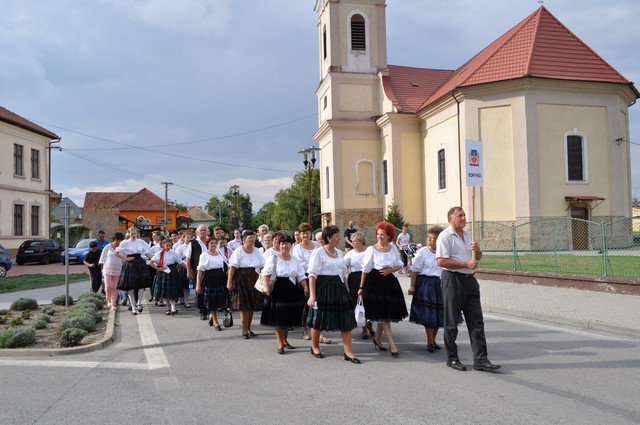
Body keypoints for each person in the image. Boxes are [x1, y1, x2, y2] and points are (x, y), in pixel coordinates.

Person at [436, 206, 500, 373]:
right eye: (460, 216)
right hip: (452, 280)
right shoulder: (445, 236)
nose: (463, 218)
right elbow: (441, 261)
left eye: (464, 215)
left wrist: (477, 251)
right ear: (450, 219)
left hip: (469, 280)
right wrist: (465, 264)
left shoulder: (469, 235)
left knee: (476, 321)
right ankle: (452, 358)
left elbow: (477, 258)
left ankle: (481, 360)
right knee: (451, 322)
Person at [306, 225, 360, 364]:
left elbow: (343, 273)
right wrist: (312, 295)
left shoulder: (340, 253)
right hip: (323, 288)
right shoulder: (318, 253)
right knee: (319, 318)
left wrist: (347, 289)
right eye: (336, 236)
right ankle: (315, 347)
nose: (339, 238)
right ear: (329, 238)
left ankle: (348, 352)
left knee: (345, 319)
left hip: (338, 288)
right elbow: (312, 275)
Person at [359, 222, 407, 357]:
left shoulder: (393, 248)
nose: (379, 236)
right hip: (375, 283)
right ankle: (392, 344)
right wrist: (361, 287)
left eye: (382, 234)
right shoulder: (371, 249)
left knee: (385, 313)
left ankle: (378, 339)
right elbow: (365, 269)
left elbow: (399, 265)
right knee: (384, 316)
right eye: (378, 234)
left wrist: (390, 269)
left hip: (390, 283)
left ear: (389, 236)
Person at [260, 234, 309, 354]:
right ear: (279, 245)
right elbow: (266, 273)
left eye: (287, 243)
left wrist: (305, 287)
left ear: (291, 245)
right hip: (278, 289)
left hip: (292, 290)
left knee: (288, 317)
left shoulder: (295, 259)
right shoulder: (273, 258)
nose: (284, 246)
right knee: (278, 317)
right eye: (282, 243)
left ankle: (285, 340)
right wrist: (266, 287)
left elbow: (300, 275)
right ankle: (280, 343)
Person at [408, 226, 445, 352]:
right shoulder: (423, 251)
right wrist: (412, 286)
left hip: (440, 285)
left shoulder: (443, 252)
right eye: (428, 237)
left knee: (438, 314)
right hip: (426, 284)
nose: (429, 240)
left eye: (433, 238)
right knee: (429, 314)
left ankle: (433, 340)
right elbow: (414, 270)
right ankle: (429, 341)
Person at [292, 222, 327, 342]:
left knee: (319, 304)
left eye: (307, 232)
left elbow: (322, 258)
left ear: (311, 233)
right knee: (305, 304)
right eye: (303, 233)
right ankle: (304, 330)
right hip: (305, 278)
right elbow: (300, 264)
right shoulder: (297, 248)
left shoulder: (317, 245)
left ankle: (319, 332)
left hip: (318, 277)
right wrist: (314, 266)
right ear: (300, 234)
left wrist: (317, 267)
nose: (305, 235)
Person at [227, 230, 265, 339]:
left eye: (253, 237)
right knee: (244, 306)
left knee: (252, 305)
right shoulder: (238, 250)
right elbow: (232, 267)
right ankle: (244, 330)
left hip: (253, 278)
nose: (252, 240)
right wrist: (229, 282)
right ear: (244, 239)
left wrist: (263, 278)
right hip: (241, 279)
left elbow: (262, 265)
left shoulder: (256, 250)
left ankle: (249, 328)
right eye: (250, 237)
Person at [344, 231, 375, 339]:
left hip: (369, 278)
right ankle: (364, 328)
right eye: (352, 241)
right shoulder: (350, 254)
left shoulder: (369, 251)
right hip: (355, 280)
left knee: (370, 303)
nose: (352, 243)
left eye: (354, 241)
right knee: (360, 304)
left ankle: (370, 323)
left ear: (361, 241)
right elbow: (343, 267)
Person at [115, 227, 152, 315]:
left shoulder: (141, 242)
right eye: (132, 233)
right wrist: (125, 258)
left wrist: (155, 261)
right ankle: (133, 307)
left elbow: (147, 253)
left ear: (137, 233)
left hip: (140, 263)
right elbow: (116, 253)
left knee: (141, 286)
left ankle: (139, 303)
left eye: (135, 233)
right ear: (128, 233)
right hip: (130, 264)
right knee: (130, 287)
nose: (133, 235)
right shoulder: (125, 242)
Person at [196, 236, 228, 330]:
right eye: (211, 243)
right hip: (209, 278)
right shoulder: (204, 255)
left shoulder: (220, 253)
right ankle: (215, 322)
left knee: (219, 300)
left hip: (220, 278)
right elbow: (200, 271)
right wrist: (198, 284)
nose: (213, 244)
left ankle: (211, 316)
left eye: (215, 243)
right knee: (211, 301)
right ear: (207, 245)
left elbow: (227, 264)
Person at [149, 239, 186, 316]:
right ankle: (168, 308)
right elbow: (151, 263)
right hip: (163, 273)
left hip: (172, 272)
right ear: (163, 245)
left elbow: (181, 262)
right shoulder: (159, 253)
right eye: (167, 245)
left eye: (170, 245)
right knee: (165, 292)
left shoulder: (173, 252)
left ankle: (173, 308)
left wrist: (189, 269)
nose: (168, 247)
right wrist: (158, 268)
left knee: (172, 291)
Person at [186, 225, 210, 320]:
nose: (203, 232)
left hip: (211, 271)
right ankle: (202, 311)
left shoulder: (211, 241)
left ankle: (211, 310)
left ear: (207, 231)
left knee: (210, 291)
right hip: (198, 271)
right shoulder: (193, 243)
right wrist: (189, 271)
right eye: (201, 230)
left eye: (204, 230)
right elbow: (188, 258)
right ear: (197, 232)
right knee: (199, 291)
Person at [99, 232, 124, 309]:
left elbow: (124, 258)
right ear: (115, 239)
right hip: (107, 269)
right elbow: (102, 258)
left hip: (118, 270)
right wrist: (102, 268)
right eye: (117, 240)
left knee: (115, 287)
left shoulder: (122, 248)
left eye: (120, 241)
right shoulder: (108, 247)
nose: (119, 242)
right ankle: (108, 300)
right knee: (108, 286)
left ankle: (113, 303)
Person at [174, 231, 193, 308]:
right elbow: (177, 258)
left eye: (190, 237)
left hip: (192, 266)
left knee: (189, 285)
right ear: (183, 238)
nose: (189, 239)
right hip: (183, 267)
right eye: (187, 237)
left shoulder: (193, 246)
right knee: (183, 285)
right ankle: (182, 298)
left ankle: (186, 300)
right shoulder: (180, 248)